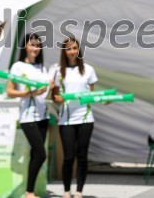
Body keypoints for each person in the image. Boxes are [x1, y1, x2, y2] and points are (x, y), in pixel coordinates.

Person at [50, 37, 98, 198]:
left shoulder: (88, 70)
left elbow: (92, 94)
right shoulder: (57, 70)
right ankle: (66, 190)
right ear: (64, 51)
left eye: (75, 48)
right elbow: (54, 96)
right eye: (69, 49)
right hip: (66, 120)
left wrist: (104, 100)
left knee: (82, 156)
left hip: (85, 119)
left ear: (79, 50)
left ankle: (79, 191)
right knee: (69, 156)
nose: (72, 51)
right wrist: (59, 98)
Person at [6, 33, 49, 198]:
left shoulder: (42, 68)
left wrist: (50, 87)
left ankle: (30, 191)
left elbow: (45, 93)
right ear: (25, 46)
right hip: (27, 116)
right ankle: (29, 191)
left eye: (38, 45)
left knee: (35, 154)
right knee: (41, 154)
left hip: (43, 116)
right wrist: (30, 93)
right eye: (32, 45)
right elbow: (9, 91)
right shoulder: (17, 66)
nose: (35, 48)